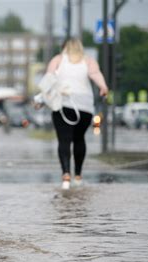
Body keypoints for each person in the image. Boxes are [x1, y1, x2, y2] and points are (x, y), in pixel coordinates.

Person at [45, 38, 108, 189]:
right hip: (84, 107)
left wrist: (40, 100)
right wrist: (103, 87)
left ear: (64, 47)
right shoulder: (88, 61)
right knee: (79, 139)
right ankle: (78, 176)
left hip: (63, 105)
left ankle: (66, 175)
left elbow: (48, 80)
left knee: (64, 140)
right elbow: (96, 74)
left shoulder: (58, 60)